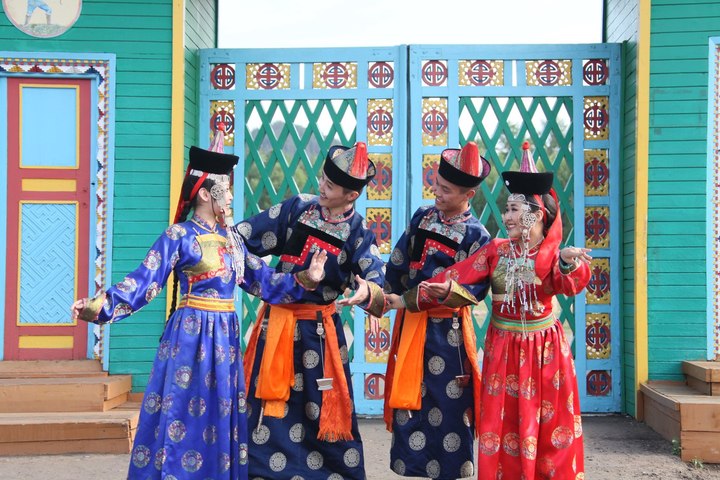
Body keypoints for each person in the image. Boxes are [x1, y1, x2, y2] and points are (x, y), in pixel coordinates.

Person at [71, 145, 327, 480]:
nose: (231, 197)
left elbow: (265, 282)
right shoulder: (178, 236)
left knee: (220, 415)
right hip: (189, 339)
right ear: (205, 194)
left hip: (225, 339)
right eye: (225, 190)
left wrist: (308, 278)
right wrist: (98, 307)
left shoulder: (232, 240)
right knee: (182, 411)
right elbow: (143, 281)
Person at [387, 142, 592, 480]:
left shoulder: (552, 257)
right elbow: (458, 276)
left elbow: (569, 283)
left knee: (549, 422)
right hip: (503, 350)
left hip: (546, 352)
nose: (507, 216)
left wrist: (568, 263)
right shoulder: (495, 251)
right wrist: (406, 298)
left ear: (537, 215)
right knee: (502, 423)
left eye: (514, 210)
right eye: (507, 209)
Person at [236, 141, 386, 480]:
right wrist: (261, 277)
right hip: (276, 327)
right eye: (322, 179)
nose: (320, 187)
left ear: (351, 195)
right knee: (267, 407)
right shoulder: (296, 209)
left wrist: (366, 288)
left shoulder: (358, 232)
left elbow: (375, 274)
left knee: (324, 412)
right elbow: (243, 236)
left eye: (330, 186)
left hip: (320, 333)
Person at [382, 141, 492, 479]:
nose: (437, 193)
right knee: (410, 405)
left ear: (468, 195)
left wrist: (451, 292)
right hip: (413, 327)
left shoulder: (478, 236)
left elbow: (476, 290)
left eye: (445, 190)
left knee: (450, 409)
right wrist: (381, 295)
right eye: (437, 185)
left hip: (449, 337)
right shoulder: (422, 217)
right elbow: (398, 264)